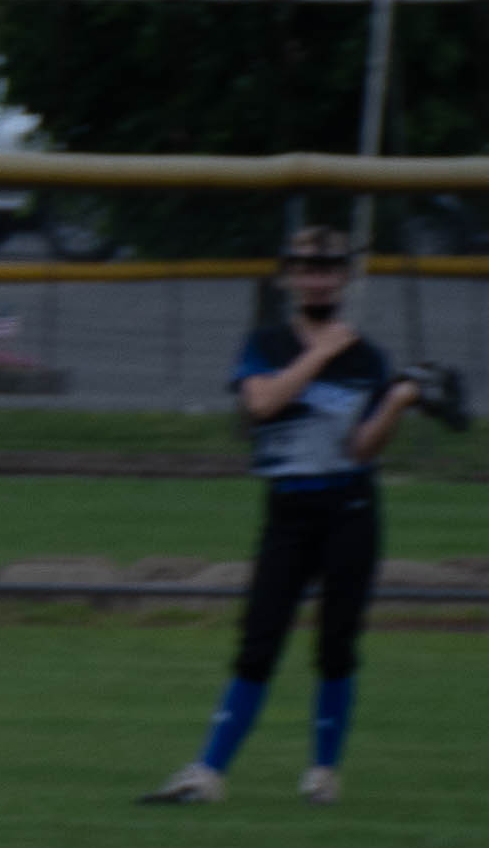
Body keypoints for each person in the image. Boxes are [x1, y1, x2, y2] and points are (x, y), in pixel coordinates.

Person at [143, 221, 427, 808]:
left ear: (344, 275)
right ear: (289, 276)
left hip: (349, 508)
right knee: (259, 640)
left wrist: (397, 403)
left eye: (327, 267)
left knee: (336, 645)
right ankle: (208, 773)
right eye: (305, 267)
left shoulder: (369, 358)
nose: (316, 278)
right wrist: (320, 352)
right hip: (289, 510)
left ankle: (323, 775)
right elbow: (264, 402)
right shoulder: (267, 344)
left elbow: (362, 449)